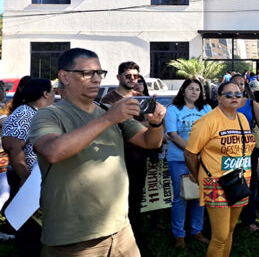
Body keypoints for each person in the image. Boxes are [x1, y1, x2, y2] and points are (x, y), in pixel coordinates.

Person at [30, 48, 166, 256]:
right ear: (64, 76)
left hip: (121, 231)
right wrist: (108, 119)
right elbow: (52, 152)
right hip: (75, 238)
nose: (96, 80)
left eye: (99, 74)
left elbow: (149, 142)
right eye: (87, 73)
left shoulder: (105, 110)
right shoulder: (49, 115)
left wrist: (156, 124)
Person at [184, 81, 256, 257]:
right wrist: (197, 177)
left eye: (238, 94)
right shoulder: (207, 121)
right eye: (228, 95)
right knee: (220, 236)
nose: (234, 98)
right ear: (219, 98)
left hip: (239, 180)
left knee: (230, 230)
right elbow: (190, 153)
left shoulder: (243, 119)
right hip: (215, 183)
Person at [2, 77, 55, 256]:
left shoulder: (37, 112)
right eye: (53, 90)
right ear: (45, 93)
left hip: (35, 178)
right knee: (29, 227)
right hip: (25, 178)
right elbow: (12, 146)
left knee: (37, 227)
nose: (55, 93)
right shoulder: (25, 113)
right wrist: (24, 177)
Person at [101, 61, 150, 249]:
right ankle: (113, 241)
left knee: (135, 201)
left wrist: (134, 127)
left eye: (135, 76)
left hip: (138, 158)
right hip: (115, 160)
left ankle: (135, 239)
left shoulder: (142, 98)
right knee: (115, 203)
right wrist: (138, 127)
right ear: (119, 77)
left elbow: (150, 127)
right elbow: (114, 129)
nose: (132, 79)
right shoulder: (109, 100)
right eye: (128, 75)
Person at [165, 78, 211, 248]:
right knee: (181, 197)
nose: (194, 92)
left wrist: (199, 154)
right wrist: (193, 151)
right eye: (191, 89)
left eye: (197, 90)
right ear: (183, 90)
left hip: (202, 159)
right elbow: (173, 134)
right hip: (179, 159)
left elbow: (211, 132)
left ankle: (196, 230)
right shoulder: (173, 109)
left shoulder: (206, 109)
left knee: (200, 196)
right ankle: (179, 235)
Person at [230, 74, 259, 232]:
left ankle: (250, 219)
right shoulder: (223, 104)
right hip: (229, 151)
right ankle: (230, 218)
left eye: (241, 84)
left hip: (250, 151)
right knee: (231, 182)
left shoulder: (252, 104)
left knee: (251, 183)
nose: (239, 87)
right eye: (235, 84)